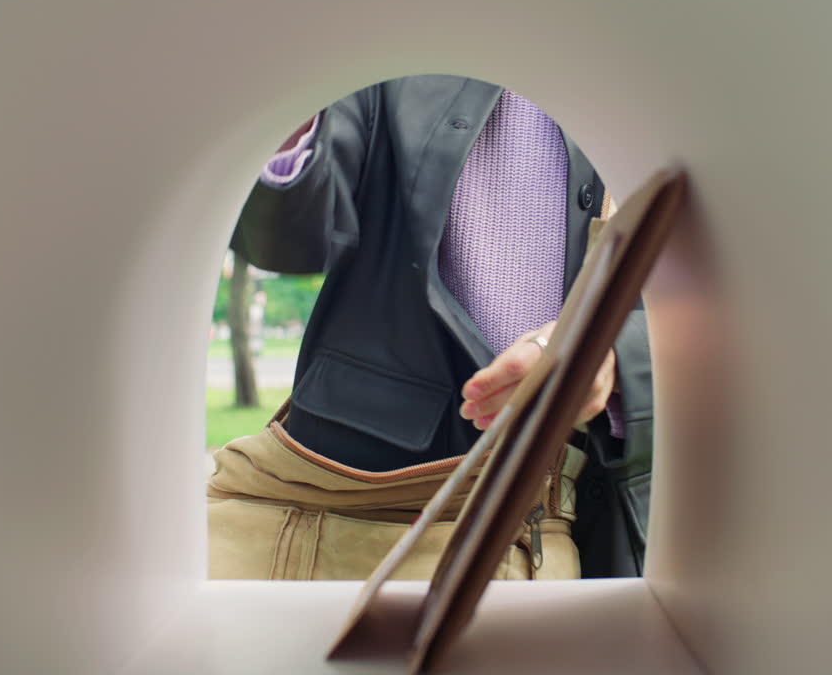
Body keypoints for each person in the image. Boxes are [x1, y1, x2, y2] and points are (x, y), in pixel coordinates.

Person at [207, 74, 652, 580]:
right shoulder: (397, 49)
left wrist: (612, 356)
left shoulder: (653, 74)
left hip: (561, 523)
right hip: (345, 516)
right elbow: (287, 239)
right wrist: (291, 99)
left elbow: (731, 312)